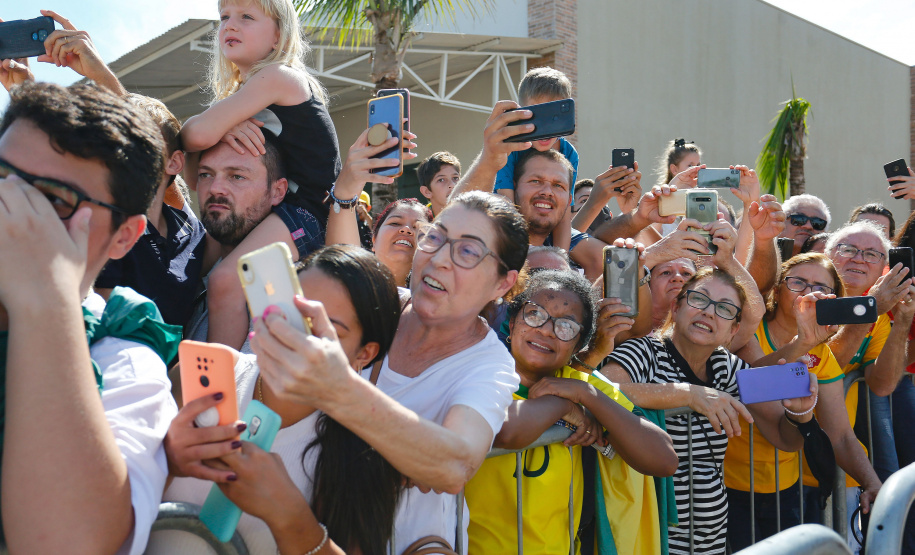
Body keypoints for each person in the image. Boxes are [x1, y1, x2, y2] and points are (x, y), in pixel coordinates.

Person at [249, 191, 527, 551]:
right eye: (436, 236)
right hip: (273, 526)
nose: (439, 258)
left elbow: (455, 464)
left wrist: (340, 389)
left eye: (469, 252)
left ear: (503, 282)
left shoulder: (489, 365)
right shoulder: (376, 302)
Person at [0, 81, 179, 554]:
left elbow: (68, 544)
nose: (10, 210)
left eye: (54, 200)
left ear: (124, 236)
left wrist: (45, 298)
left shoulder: (124, 360)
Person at [153, 245, 402, 554]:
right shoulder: (200, 373)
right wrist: (163, 464)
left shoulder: (364, 450)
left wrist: (289, 516)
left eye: (324, 329)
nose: (294, 336)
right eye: (292, 314)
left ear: (364, 353)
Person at [0, 12, 210, 329]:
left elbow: (143, 149)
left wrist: (100, 73)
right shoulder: (101, 217)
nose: (117, 150)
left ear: (175, 162)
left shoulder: (188, 230)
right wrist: (25, 91)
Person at [600, 262, 817, 554]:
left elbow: (785, 439)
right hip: (649, 535)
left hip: (709, 541)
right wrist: (687, 394)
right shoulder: (643, 352)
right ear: (676, 307)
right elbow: (603, 391)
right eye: (699, 299)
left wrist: (799, 414)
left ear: (733, 330)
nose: (709, 311)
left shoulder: (725, 366)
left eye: (725, 309)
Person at [466, 270, 678, 554]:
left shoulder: (582, 385)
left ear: (579, 344)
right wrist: (563, 406)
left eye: (566, 326)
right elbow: (505, 429)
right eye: (534, 314)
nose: (546, 329)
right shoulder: (479, 374)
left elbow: (663, 460)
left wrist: (586, 395)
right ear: (513, 322)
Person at [179, 0, 340, 349]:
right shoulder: (244, 95)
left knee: (226, 279)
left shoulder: (277, 77)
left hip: (308, 211)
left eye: (246, 17)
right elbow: (193, 171)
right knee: (189, 268)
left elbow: (193, 136)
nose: (229, 26)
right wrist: (220, 128)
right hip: (283, 209)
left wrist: (215, 128)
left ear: (278, 36)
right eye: (224, 18)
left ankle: (222, 389)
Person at [727, 253, 883, 549]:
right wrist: (802, 343)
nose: (809, 292)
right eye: (797, 281)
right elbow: (759, 393)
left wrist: (873, 483)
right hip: (728, 488)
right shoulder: (749, 332)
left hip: (785, 490)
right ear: (776, 290)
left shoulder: (821, 354)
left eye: (821, 288)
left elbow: (841, 436)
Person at [824, 220, 915, 546]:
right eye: (848, 249)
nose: (859, 259)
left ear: (884, 267)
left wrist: (903, 320)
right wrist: (870, 307)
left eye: (872, 254)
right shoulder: (806, 292)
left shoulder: (877, 312)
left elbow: (882, 384)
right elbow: (826, 364)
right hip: (785, 462)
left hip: (842, 464)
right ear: (827, 254)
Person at [183, 137, 296, 349]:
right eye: (205, 174)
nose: (216, 188)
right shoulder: (188, 271)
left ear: (277, 191)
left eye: (237, 176)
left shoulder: (296, 294)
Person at [416, 151, 461, 217]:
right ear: (427, 191)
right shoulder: (419, 224)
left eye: (455, 178)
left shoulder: (477, 217)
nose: (452, 185)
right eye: (441, 180)